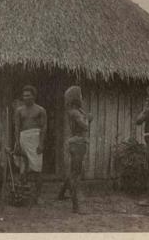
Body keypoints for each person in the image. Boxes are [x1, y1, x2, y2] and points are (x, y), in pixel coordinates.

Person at [57, 85, 92, 214]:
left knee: (74, 171)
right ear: (76, 98)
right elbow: (84, 126)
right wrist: (88, 119)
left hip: (76, 142)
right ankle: (76, 206)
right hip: (78, 143)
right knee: (76, 175)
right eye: (80, 96)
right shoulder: (75, 112)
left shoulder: (75, 111)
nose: (82, 98)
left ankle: (61, 194)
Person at [14, 85, 47, 203]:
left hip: (35, 139)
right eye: (24, 96)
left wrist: (41, 144)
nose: (25, 98)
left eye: (28, 95)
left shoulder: (40, 110)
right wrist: (17, 143)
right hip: (23, 138)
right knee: (23, 167)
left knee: (37, 169)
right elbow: (17, 127)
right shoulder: (19, 110)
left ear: (34, 96)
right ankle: (22, 195)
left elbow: (44, 128)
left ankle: (38, 196)